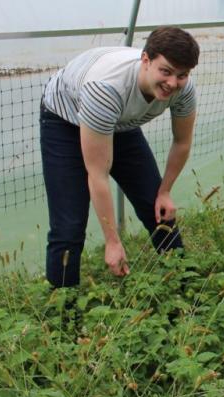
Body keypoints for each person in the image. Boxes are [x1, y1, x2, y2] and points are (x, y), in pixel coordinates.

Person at [39, 26, 200, 287]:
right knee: (68, 228)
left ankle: (186, 286)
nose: (172, 83)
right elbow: (98, 173)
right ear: (145, 61)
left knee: (155, 205)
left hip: (119, 121)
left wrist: (165, 191)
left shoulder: (184, 90)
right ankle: (62, 315)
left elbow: (182, 142)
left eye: (181, 75)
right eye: (166, 71)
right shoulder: (106, 89)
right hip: (65, 120)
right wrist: (112, 241)